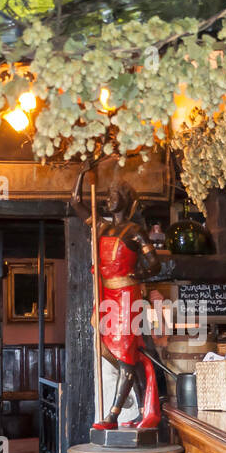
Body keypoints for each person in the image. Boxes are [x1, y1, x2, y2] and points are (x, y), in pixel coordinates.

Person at [86, 181, 163, 431]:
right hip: (108, 294)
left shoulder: (136, 232)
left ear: (127, 200)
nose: (109, 199)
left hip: (128, 294)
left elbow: (154, 264)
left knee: (127, 355)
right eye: (108, 194)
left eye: (115, 195)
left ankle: (112, 414)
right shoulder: (103, 226)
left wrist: (137, 275)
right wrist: (84, 174)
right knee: (124, 353)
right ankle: (145, 412)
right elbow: (75, 202)